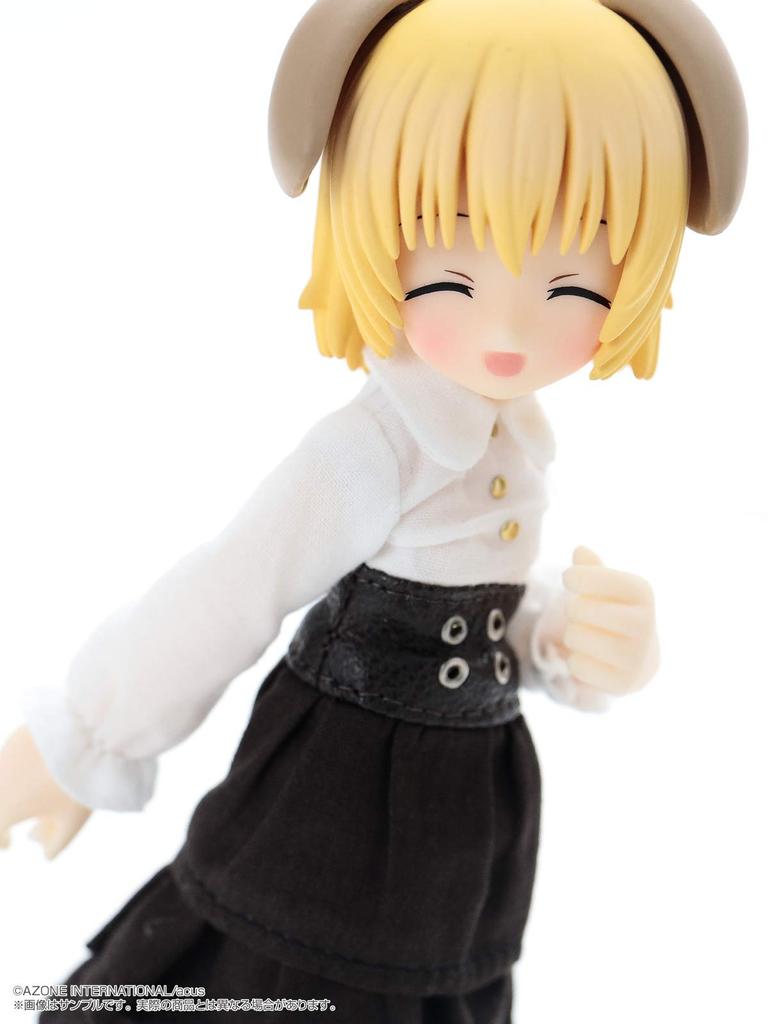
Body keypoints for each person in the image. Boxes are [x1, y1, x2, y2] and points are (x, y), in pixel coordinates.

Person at [0, 0, 747, 1020]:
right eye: (454, 275)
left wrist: (574, 637)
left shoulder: (515, 442)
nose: (509, 327)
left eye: (572, 284)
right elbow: (230, 592)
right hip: (337, 796)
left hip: (467, 822)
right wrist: (82, 738)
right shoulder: (371, 449)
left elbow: (477, 601)